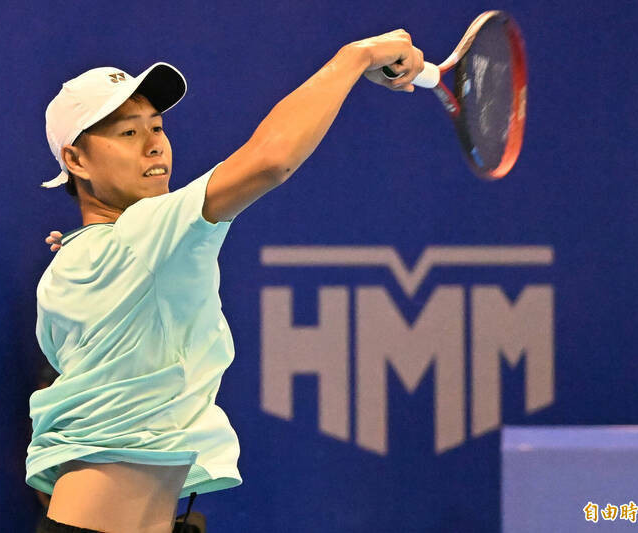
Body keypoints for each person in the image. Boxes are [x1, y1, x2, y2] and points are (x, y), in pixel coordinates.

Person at [26, 29, 424, 533]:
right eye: (127, 133)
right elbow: (272, 159)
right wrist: (355, 57)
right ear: (76, 160)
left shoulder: (70, 262)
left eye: (157, 127)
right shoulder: (142, 235)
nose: (154, 145)